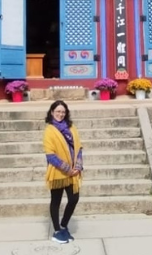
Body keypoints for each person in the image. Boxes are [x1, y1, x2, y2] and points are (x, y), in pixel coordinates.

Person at [43, 100, 83, 244]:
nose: (60, 114)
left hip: (73, 170)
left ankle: (64, 225)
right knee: (56, 201)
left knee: (74, 198)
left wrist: (78, 166)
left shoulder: (71, 128)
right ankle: (56, 231)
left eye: (63, 112)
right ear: (52, 112)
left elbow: (79, 147)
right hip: (58, 172)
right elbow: (50, 155)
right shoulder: (49, 130)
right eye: (57, 111)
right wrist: (67, 169)